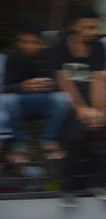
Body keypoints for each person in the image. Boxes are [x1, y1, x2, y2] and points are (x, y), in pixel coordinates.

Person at [54, 7, 106, 204]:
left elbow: (99, 79)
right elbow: (63, 80)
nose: (93, 32)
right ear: (76, 26)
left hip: (93, 99)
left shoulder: (99, 47)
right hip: (69, 99)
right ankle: (68, 188)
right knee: (75, 135)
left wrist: (99, 112)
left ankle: (99, 183)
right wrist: (81, 110)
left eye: (95, 27)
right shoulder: (61, 45)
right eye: (88, 27)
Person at [3, 22, 71, 163]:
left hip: (45, 100)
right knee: (7, 100)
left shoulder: (50, 56)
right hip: (22, 102)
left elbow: (61, 83)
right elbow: (6, 88)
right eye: (24, 42)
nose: (28, 46)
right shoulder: (13, 56)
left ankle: (49, 139)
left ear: (41, 43)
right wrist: (23, 86)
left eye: (33, 42)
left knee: (63, 99)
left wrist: (48, 85)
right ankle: (20, 143)